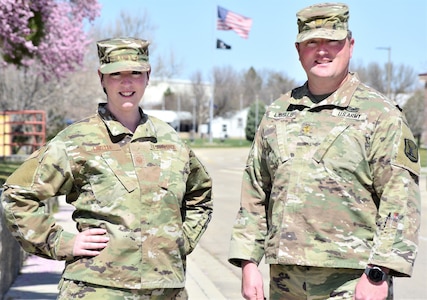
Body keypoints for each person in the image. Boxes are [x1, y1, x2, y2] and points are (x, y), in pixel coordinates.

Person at [228, 3, 421, 300]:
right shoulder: (278, 113)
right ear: (298, 50)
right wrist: (248, 262)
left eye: (333, 41)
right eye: (311, 42)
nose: (322, 51)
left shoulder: (380, 114)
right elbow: (255, 192)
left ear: (351, 45)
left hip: (351, 281)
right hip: (285, 281)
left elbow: (400, 199)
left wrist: (379, 271)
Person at [1, 37, 213, 299]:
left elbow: (200, 195)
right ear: (102, 78)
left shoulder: (170, 139)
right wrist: (59, 241)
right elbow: (17, 194)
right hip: (98, 289)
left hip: (166, 289)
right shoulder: (77, 139)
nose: (126, 82)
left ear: (148, 76)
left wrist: (181, 240)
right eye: (116, 74)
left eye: (135, 72)